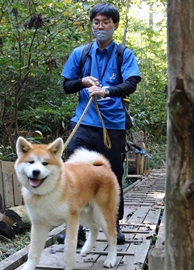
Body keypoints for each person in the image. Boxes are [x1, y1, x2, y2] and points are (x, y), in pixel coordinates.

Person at [60, 2, 141, 244]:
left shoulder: (124, 54)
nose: (100, 26)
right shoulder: (81, 53)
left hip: (113, 125)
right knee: (73, 173)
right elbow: (66, 86)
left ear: (115, 25)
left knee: (112, 176)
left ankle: (112, 226)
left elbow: (131, 84)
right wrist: (83, 82)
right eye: (96, 22)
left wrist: (105, 91)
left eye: (106, 22)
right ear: (92, 24)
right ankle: (75, 228)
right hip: (84, 123)